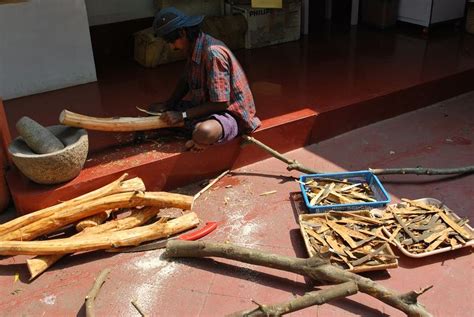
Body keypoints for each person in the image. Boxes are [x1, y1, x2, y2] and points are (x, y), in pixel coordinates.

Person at [149, 7, 260, 151]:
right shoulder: (192, 46)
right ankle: (192, 126)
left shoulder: (213, 53)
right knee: (155, 109)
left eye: (171, 41)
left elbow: (221, 104)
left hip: (231, 114)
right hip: (204, 105)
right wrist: (170, 103)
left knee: (204, 132)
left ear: (182, 33)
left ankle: (196, 129)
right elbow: (186, 79)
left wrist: (182, 115)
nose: (171, 46)